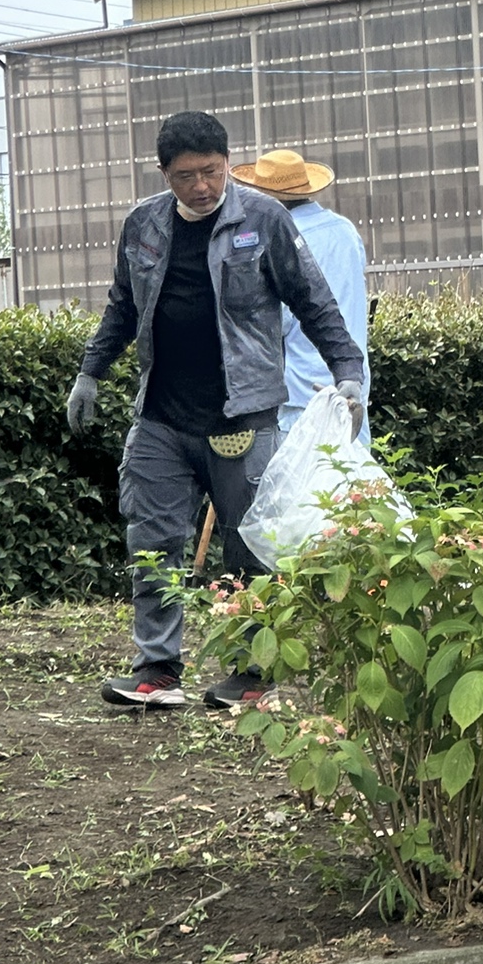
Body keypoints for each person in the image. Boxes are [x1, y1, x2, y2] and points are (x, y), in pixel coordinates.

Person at [66, 111, 365, 710]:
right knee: (152, 541)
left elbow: (315, 302)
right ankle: (156, 670)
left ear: (228, 164)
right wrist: (90, 372)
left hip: (243, 417)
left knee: (246, 546)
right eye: (185, 176)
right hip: (160, 416)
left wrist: (349, 373)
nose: (200, 186)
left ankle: (251, 675)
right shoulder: (143, 225)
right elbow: (121, 307)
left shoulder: (264, 219)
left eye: (211, 171)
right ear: (164, 175)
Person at [230, 149, 371, 444]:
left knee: (296, 487)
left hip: (299, 398)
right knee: (355, 486)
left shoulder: (276, 236)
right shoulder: (345, 231)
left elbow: (274, 321)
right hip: (352, 388)